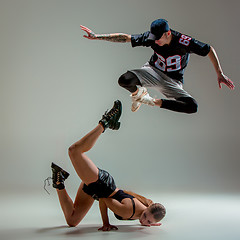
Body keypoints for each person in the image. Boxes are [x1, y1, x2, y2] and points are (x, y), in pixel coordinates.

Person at [48, 100, 166, 231]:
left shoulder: (147, 205)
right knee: (74, 151)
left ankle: (59, 180)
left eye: (148, 222)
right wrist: (106, 223)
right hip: (101, 184)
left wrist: (151, 221)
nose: (143, 221)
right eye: (145, 216)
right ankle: (106, 122)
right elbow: (104, 199)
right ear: (147, 209)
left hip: (97, 189)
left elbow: (150, 211)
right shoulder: (128, 211)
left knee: (72, 221)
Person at [80, 19, 234, 113]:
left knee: (192, 107)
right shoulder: (152, 38)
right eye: (153, 38)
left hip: (172, 81)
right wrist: (97, 36)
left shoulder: (184, 42)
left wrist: (219, 73)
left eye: (158, 38)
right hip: (152, 71)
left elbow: (209, 49)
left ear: (168, 33)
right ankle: (138, 94)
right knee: (124, 80)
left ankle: (149, 101)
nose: (155, 41)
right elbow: (126, 38)